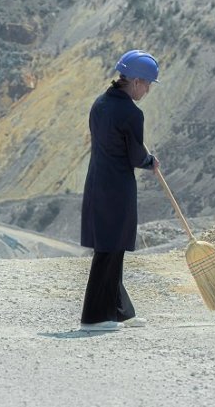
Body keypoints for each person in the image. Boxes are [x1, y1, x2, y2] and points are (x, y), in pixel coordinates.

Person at [79, 49, 160, 332]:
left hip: (97, 181)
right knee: (109, 249)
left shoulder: (100, 104)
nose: (147, 90)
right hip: (117, 186)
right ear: (136, 81)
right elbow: (136, 156)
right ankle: (94, 318)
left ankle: (120, 312)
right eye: (147, 84)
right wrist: (150, 161)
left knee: (111, 247)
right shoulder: (131, 113)